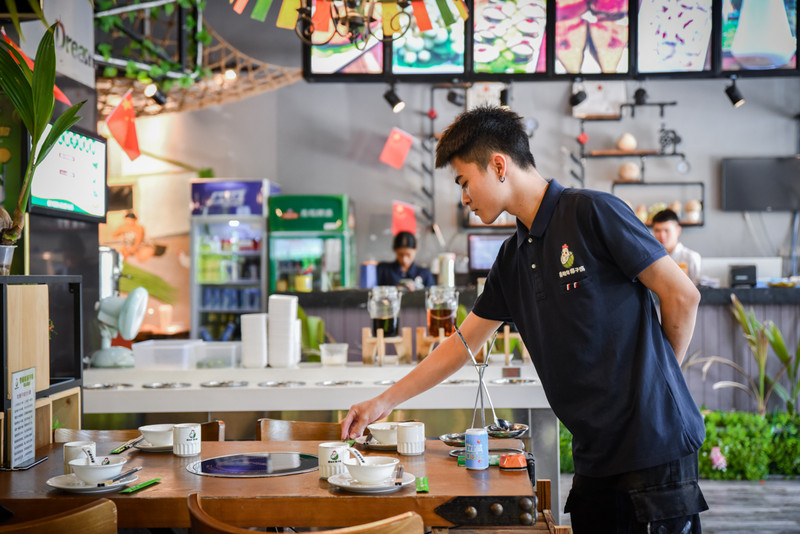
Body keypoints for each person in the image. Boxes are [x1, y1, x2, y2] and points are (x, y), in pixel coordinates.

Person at [341, 107, 707, 533]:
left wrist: (659, 382)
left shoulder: (592, 212)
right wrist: (383, 402)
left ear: (498, 165)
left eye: (464, 182)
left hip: (653, 447)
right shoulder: (513, 258)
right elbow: (461, 345)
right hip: (595, 453)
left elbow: (682, 295)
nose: (463, 197)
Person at [652, 209, 702, 286]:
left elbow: (698, 290)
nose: (662, 236)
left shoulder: (691, 257)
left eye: (666, 230)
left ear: (678, 230)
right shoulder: (651, 258)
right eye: (657, 231)